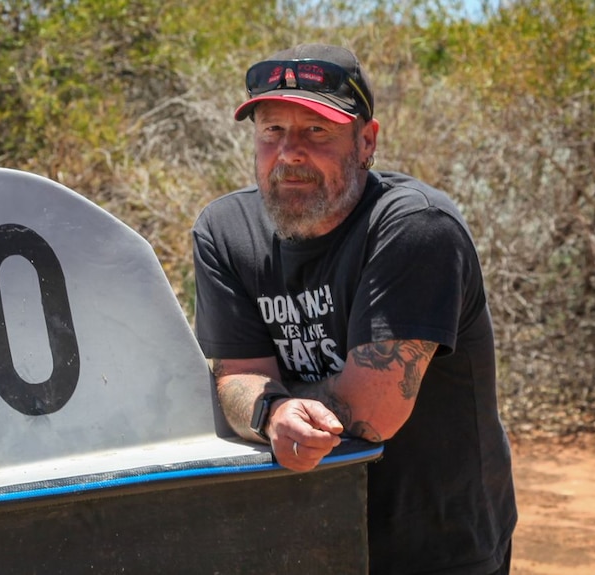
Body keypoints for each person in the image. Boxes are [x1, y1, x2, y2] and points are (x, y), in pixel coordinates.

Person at [192, 43, 517, 575]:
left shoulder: (416, 227)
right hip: (297, 536)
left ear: (366, 142)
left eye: (317, 131)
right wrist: (271, 412)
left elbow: (372, 412)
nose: (290, 152)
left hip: (434, 542)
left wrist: (272, 406)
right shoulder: (225, 232)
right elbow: (239, 374)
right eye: (272, 130)